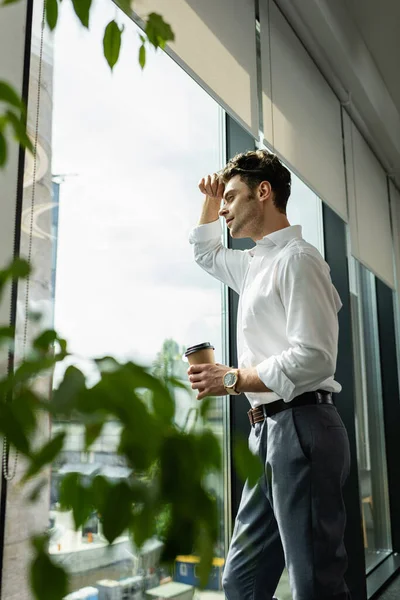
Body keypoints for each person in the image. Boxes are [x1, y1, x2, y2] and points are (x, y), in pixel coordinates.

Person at [187, 150, 351, 600]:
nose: (224, 209)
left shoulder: (299, 260)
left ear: (264, 192)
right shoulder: (255, 263)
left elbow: (315, 358)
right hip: (266, 432)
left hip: (303, 426)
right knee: (241, 582)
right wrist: (211, 197)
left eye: (232, 197)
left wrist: (233, 379)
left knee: (315, 585)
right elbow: (204, 251)